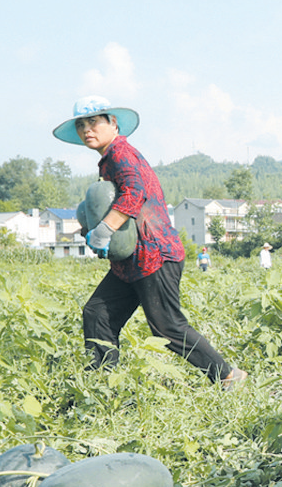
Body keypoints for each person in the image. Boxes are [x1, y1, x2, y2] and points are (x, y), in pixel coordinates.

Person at [53, 95, 246, 388]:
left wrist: (104, 230)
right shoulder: (109, 159)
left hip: (154, 254)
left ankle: (229, 376)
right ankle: (101, 386)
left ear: (113, 123)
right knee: (98, 313)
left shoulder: (120, 153)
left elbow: (134, 192)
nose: (86, 130)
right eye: (81, 125)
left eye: (93, 122)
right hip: (131, 260)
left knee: (167, 327)